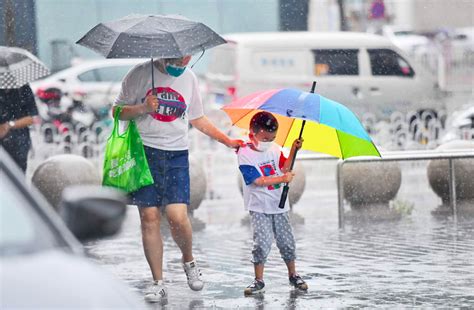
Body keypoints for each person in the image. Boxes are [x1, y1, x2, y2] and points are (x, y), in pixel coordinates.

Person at [113, 55, 243, 303]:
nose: (184, 61)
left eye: (188, 56)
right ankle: (158, 282)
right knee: (149, 218)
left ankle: (189, 260)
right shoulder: (139, 74)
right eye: (179, 56)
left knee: (176, 216)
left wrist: (227, 141)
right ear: (165, 51)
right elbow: (116, 112)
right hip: (143, 153)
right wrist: (143, 108)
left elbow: (198, 118)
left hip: (176, 155)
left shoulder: (189, 77)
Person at [237, 111, 308, 295]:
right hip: (259, 207)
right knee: (261, 243)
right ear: (254, 131)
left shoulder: (274, 149)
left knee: (286, 242)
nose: (269, 141)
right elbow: (257, 181)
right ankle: (258, 280)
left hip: (279, 205)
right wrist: (282, 178)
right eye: (266, 137)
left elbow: (285, 167)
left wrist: (293, 149)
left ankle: (293, 275)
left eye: (273, 137)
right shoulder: (244, 153)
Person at [0, 84, 38, 173]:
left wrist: (9, 125)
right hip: (4, 145)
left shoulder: (23, 88)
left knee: (18, 175)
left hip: (19, 144)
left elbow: (31, 118)